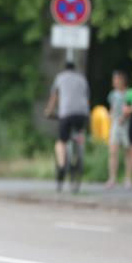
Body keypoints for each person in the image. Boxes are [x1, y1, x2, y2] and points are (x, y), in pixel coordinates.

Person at [44, 61, 90, 191]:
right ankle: (80, 147)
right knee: (79, 133)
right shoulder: (82, 79)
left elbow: (54, 96)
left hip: (66, 113)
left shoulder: (60, 77)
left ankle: (62, 164)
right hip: (82, 113)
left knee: (61, 141)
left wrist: (49, 110)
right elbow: (87, 97)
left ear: (64, 69)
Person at [106, 70, 132, 189]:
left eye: (117, 79)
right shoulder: (112, 94)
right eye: (114, 80)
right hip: (116, 124)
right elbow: (111, 109)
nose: (115, 82)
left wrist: (125, 116)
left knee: (128, 152)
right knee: (113, 151)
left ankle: (128, 178)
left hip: (127, 124)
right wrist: (110, 117)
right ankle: (112, 178)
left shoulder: (130, 93)